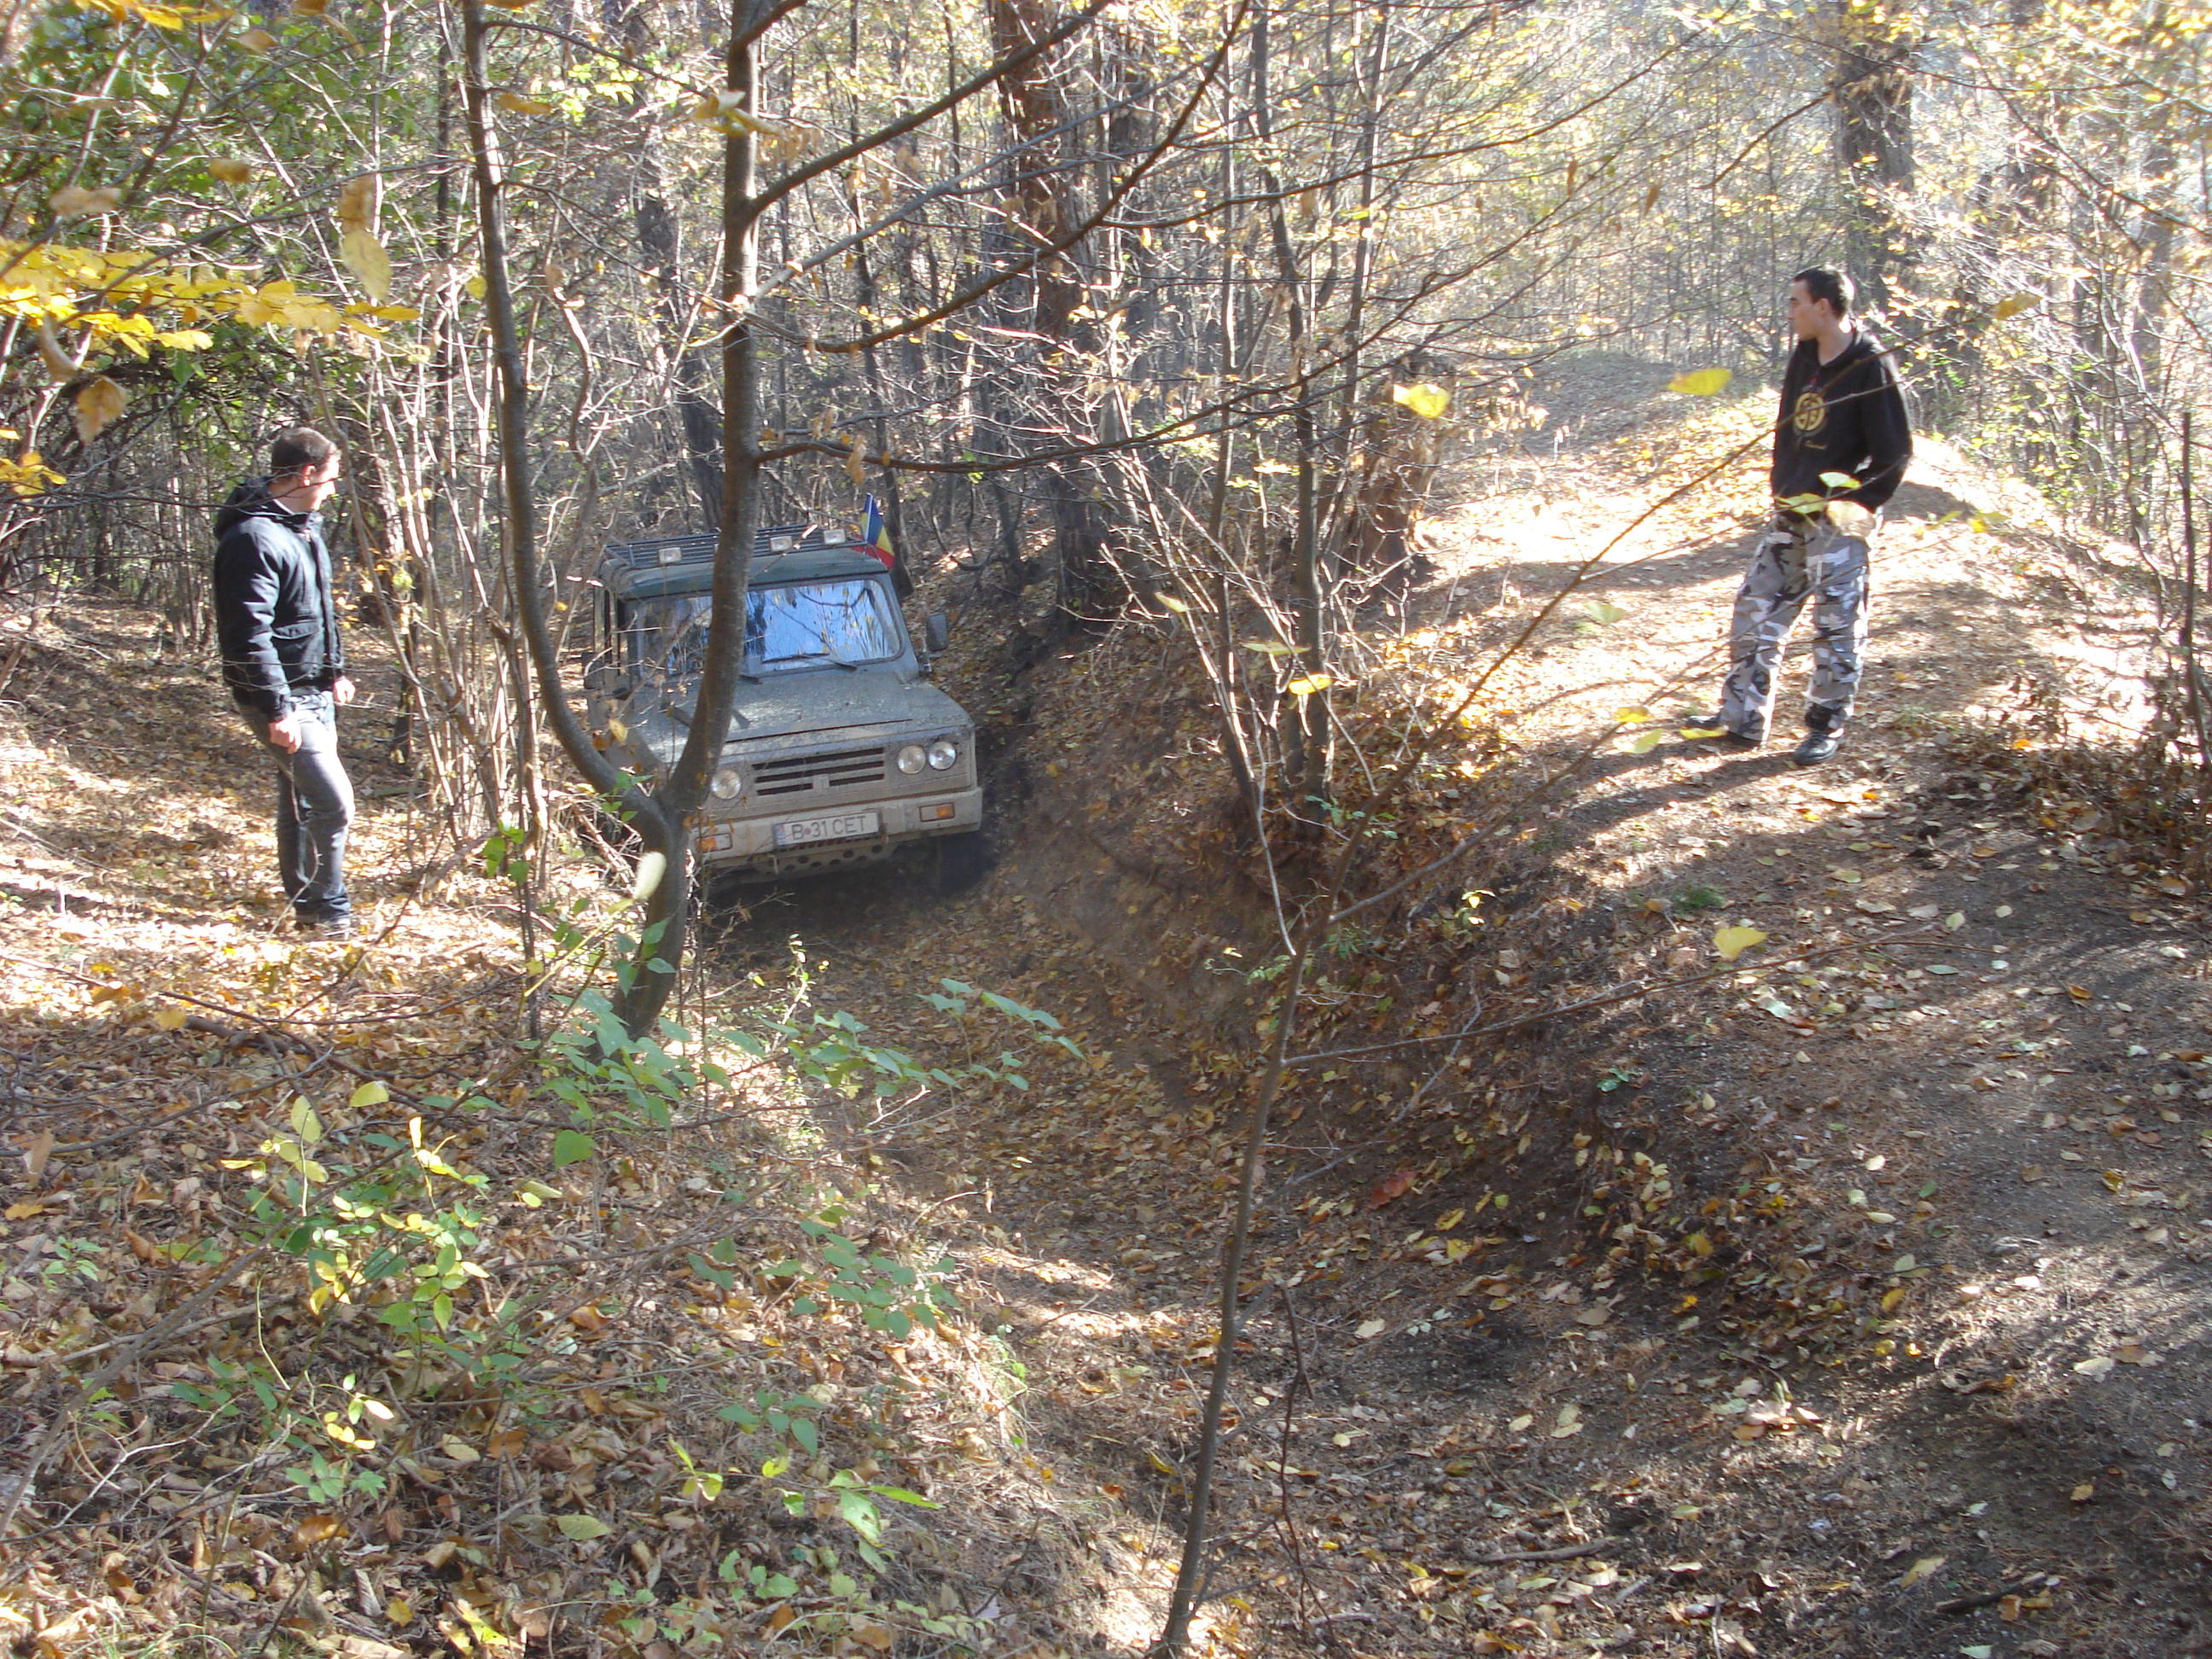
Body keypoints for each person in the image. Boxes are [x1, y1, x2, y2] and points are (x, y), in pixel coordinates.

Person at [1704, 265, 1912, 765]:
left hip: (1840, 521)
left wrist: (1855, 504)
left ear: (1823, 306)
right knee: (1756, 607)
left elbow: (1895, 452)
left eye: (1796, 302)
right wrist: (1784, 486)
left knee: (1837, 625)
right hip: (1792, 512)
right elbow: (1789, 426)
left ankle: (1825, 726)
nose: (1789, 312)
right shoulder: (1805, 355)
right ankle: (1742, 717)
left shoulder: (1870, 365)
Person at [212, 427, 358, 937]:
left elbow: (317, 607)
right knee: (334, 804)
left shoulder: (304, 528)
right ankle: (330, 912)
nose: (333, 490)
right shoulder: (252, 538)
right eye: (331, 478)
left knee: (301, 803)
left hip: (314, 689)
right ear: (306, 474)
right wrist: (277, 709)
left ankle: (307, 907)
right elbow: (247, 633)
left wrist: (334, 669)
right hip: (281, 697)